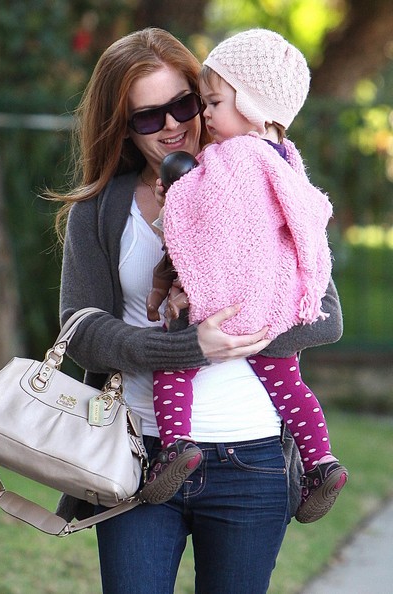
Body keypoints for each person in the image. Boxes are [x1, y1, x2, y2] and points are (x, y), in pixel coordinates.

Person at [52, 27, 343, 594]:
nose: (172, 125)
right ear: (122, 125)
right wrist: (185, 346)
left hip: (253, 458)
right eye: (147, 116)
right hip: (139, 454)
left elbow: (326, 316)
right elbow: (80, 331)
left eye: (184, 104)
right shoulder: (101, 209)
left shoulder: (266, 181)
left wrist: (228, 328)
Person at [143, 29, 348, 524]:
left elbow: (211, 218)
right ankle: (321, 462)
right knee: (289, 385)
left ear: (254, 106)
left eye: (214, 102)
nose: (206, 115)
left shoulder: (233, 156)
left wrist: (176, 194)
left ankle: (175, 448)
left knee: (173, 368)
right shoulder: (286, 159)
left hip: (224, 301)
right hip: (272, 308)